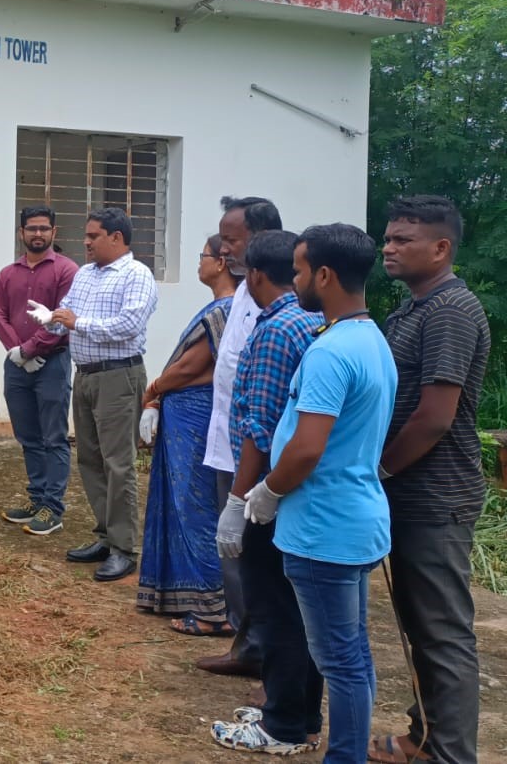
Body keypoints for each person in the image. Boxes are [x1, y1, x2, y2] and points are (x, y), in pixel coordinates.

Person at [241, 223, 397, 764]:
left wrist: (265, 491)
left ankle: (345, 756)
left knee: (340, 660)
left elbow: (307, 448)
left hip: (323, 528)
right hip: (356, 518)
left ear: (325, 275)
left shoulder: (331, 352)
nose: (296, 279)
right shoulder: (370, 339)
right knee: (351, 654)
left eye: (302, 270)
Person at [372, 196, 489, 764]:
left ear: (441, 248)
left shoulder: (451, 312)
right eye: (388, 238)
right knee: (418, 624)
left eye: (403, 240)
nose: (389, 248)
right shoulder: (412, 309)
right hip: (407, 493)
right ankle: (424, 736)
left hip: (435, 496)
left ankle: (450, 754)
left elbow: (436, 416)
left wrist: (381, 470)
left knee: (442, 634)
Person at [208, 230, 325, 755]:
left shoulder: (278, 329)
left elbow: (263, 426)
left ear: (255, 274)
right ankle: (299, 711)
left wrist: (239, 501)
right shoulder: (310, 320)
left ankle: (282, 724)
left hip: (269, 492)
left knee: (274, 605)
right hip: (291, 489)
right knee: (296, 608)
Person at [39, 208, 158, 582]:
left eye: (94, 236)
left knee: (118, 463)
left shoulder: (137, 275)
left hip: (119, 377)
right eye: (87, 236)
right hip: (87, 376)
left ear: (117, 238)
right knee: (90, 459)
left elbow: (128, 325)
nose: (86, 242)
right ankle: (106, 536)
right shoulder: (86, 274)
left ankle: (125, 548)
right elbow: (68, 314)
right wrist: (51, 319)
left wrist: (76, 323)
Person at [195, 195, 284, 675]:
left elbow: (264, 398)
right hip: (225, 444)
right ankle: (246, 645)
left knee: (259, 562)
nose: (223, 249)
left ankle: (269, 658)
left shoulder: (281, 305)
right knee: (234, 556)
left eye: (231, 239)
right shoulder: (245, 293)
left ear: (261, 239)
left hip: (257, 453)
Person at [135, 235, 237, 620]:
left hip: (196, 420)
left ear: (222, 263)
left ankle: (211, 606)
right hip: (187, 416)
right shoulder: (221, 309)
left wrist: (156, 387)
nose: (199, 262)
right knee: (181, 504)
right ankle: (182, 594)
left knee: (194, 506)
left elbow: (195, 367)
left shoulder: (224, 311)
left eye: (203, 255)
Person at [0, 205, 78, 534]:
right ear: (21, 233)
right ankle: (37, 497)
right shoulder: (6, 274)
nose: (37, 234)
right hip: (16, 365)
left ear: (54, 233)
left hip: (52, 363)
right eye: (31, 228)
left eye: (44, 228)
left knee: (53, 436)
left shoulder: (67, 271)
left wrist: (30, 350)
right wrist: (18, 352)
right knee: (27, 435)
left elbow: (63, 317)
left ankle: (53, 507)